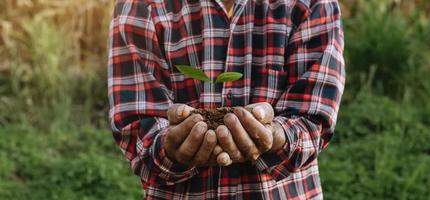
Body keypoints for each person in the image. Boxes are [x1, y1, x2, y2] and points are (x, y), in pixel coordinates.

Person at [108, 0, 345, 199]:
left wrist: (277, 136)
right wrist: (169, 148)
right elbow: (138, 130)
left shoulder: (310, 3)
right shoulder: (141, 6)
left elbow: (313, 117)